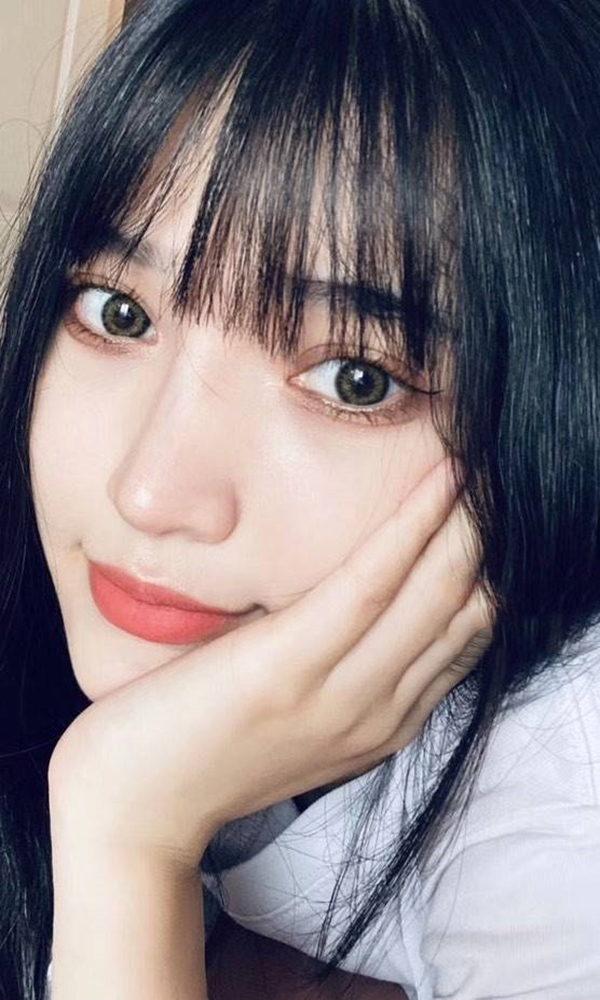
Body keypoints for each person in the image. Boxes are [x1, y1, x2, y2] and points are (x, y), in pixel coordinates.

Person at [1, 0, 599, 996]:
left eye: (354, 379)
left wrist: (127, 829)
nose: (147, 492)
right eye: (120, 311)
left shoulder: (569, 798)